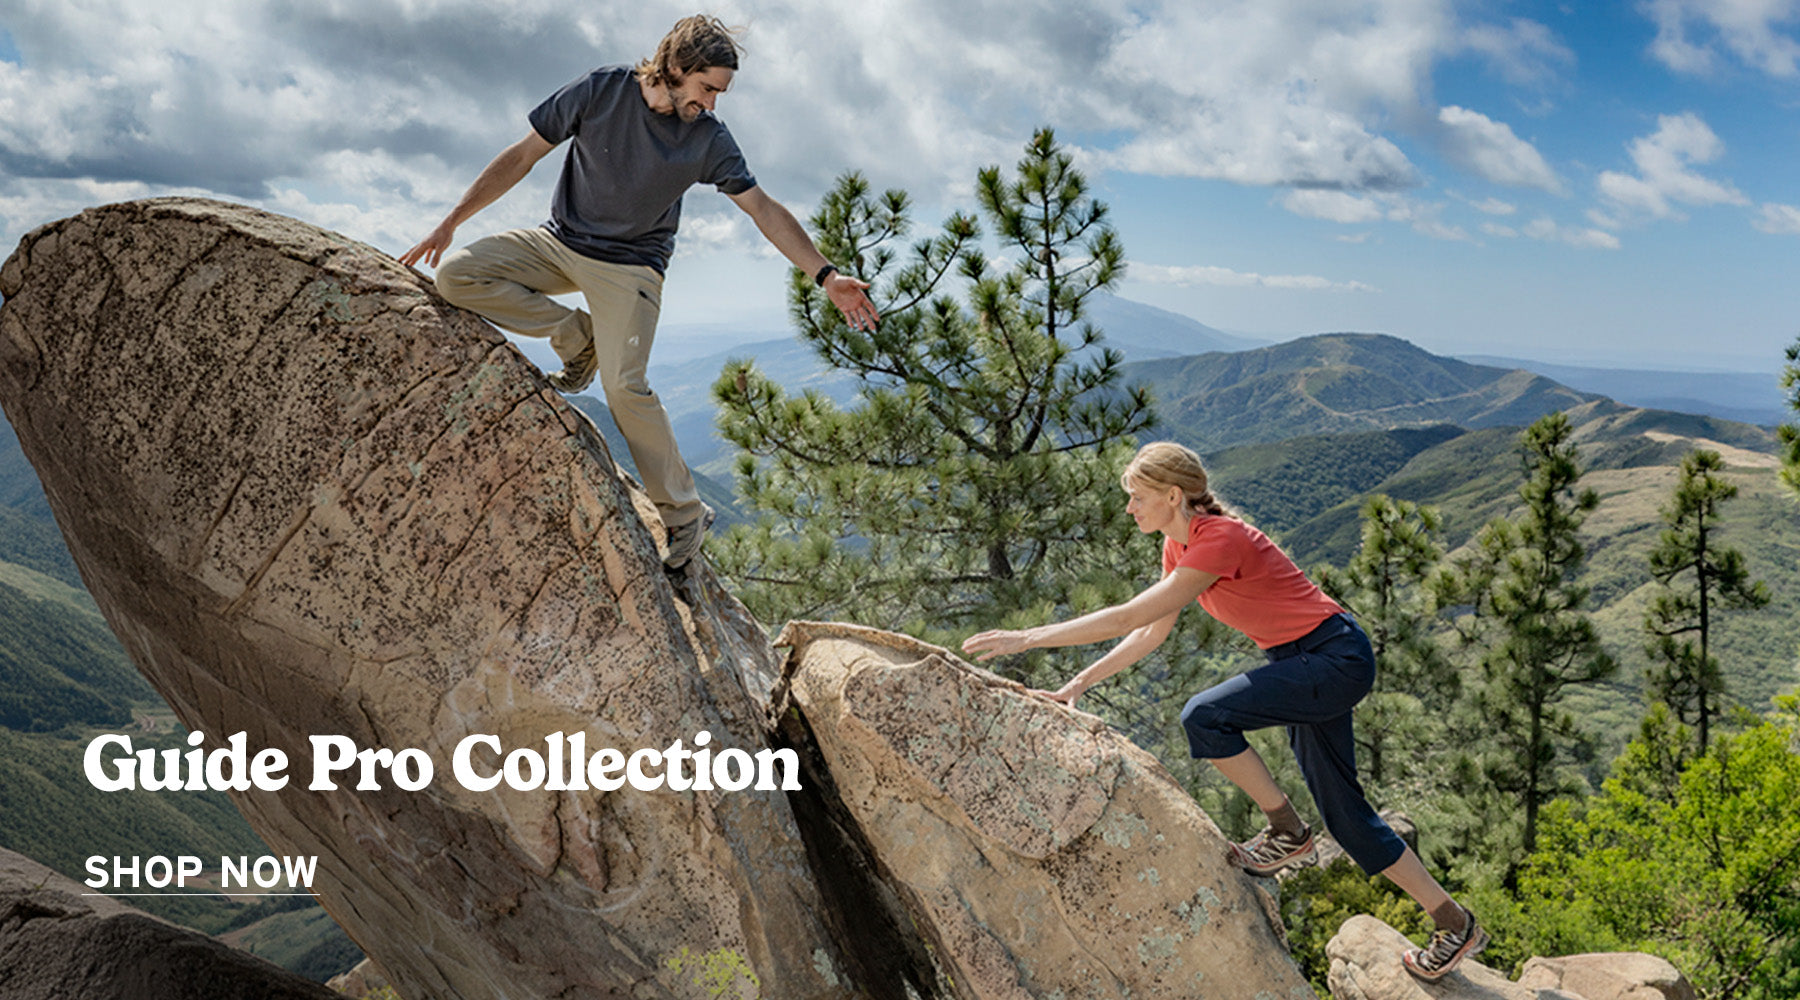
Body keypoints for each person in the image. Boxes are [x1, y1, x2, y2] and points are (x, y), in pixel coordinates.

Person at [961, 441, 1487, 981]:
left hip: (1332, 658)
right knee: (1347, 817)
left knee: (1205, 716)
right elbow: (1149, 631)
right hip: (1308, 660)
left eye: (1136, 496)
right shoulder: (1179, 546)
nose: (1129, 509)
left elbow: (1130, 615)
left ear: (1172, 495)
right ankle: (1454, 923)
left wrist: (1027, 638)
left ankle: (1286, 829)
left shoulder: (1221, 539)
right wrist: (1076, 684)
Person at [399, 14, 879, 570]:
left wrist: (826, 276)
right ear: (675, 68)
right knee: (456, 275)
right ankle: (574, 334)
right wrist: (451, 221)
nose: (713, 105)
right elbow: (523, 154)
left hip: (631, 268)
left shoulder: (707, 139)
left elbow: (763, 209)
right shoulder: (601, 90)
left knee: (624, 386)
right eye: (707, 89)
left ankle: (684, 515)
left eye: (720, 94)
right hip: (559, 242)